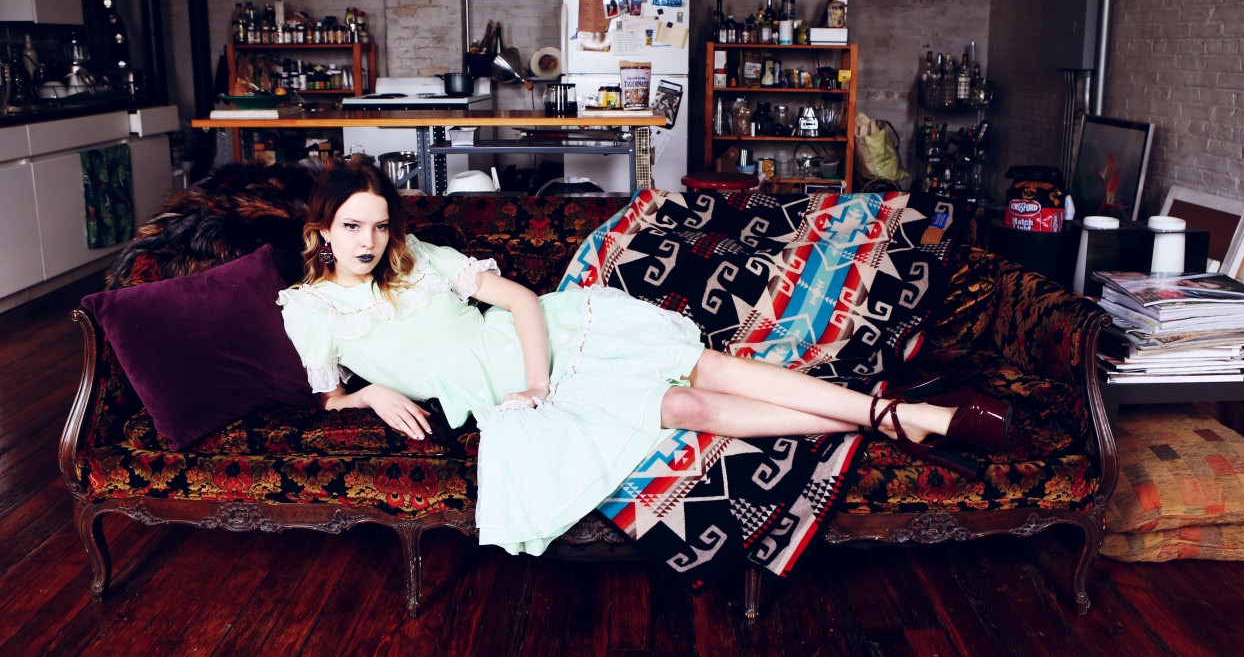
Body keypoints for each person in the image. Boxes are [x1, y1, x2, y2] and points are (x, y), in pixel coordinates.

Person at [277, 157, 1010, 555]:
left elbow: (524, 302)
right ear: (322, 230)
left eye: (379, 224)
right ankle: (892, 423)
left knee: (709, 366)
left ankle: (909, 414)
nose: (369, 241)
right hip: (509, 401)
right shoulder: (309, 310)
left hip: (546, 347)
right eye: (353, 226)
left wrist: (540, 382)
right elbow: (325, 396)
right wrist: (369, 393)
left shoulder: (420, 258)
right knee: (686, 405)